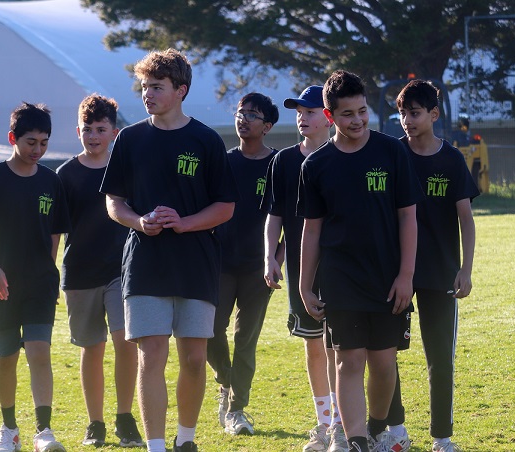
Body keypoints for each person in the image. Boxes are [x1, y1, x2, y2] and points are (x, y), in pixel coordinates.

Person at [99, 48, 238, 452]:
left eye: (156, 87)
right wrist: (139, 221)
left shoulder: (206, 140)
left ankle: (187, 439)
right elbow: (114, 202)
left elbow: (225, 206)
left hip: (197, 264)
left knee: (195, 358)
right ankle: (156, 446)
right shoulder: (130, 138)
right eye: (144, 87)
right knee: (151, 356)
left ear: (181, 90)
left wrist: (185, 222)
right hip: (145, 263)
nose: (148, 94)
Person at [297, 70, 422, 452]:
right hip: (340, 279)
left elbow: (408, 216)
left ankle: (377, 427)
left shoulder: (391, 151)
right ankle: (355, 441)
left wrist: (406, 274)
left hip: (388, 277)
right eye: (348, 113)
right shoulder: (316, 166)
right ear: (330, 116)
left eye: (363, 111)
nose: (358, 120)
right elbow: (312, 230)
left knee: (384, 365)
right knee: (348, 361)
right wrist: (304, 284)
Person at [0, 102, 71, 452]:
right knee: (7, 355)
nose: (37, 149)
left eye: (44, 142)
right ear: (12, 138)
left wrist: (49, 271)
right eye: (30, 142)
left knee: (39, 351)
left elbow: (55, 232)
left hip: (39, 284)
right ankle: (9, 431)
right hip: (0, 285)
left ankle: (44, 432)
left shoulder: (51, 183)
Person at [262, 85, 348, 452]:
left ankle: (344, 425)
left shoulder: (344, 156)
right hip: (302, 272)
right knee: (314, 347)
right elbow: (275, 215)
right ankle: (324, 422)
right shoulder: (283, 161)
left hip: (343, 269)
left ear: (327, 116)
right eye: (298, 111)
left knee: (341, 349)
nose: (302, 117)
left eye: (310, 110)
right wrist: (270, 256)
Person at [395, 79, 479, 452]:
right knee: (385, 352)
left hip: (441, 271)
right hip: (396, 272)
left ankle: (442, 437)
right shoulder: (392, 155)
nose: (407, 121)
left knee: (439, 358)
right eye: (402, 114)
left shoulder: (452, 160)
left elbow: (466, 219)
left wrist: (466, 269)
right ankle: (393, 430)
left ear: (433, 114)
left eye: (414, 113)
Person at [56, 94, 143, 448]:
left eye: (101, 129)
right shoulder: (65, 174)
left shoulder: (127, 169)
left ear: (114, 132)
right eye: (87, 129)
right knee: (91, 348)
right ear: (78, 130)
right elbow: (54, 232)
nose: (93, 136)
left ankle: (125, 418)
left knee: (126, 342)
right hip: (79, 274)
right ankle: (95, 423)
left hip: (123, 271)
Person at [206, 92, 279, 436]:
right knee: (209, 329)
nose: (243, 118)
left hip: (258, 269)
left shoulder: (278, 165)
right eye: (240, 112)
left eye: (252, 115)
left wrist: (275, 261)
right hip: (219, 264)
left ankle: (236, 409)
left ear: (266, 126)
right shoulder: (223, 161)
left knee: (245, 339)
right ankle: (225, 381)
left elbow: (290, 222)